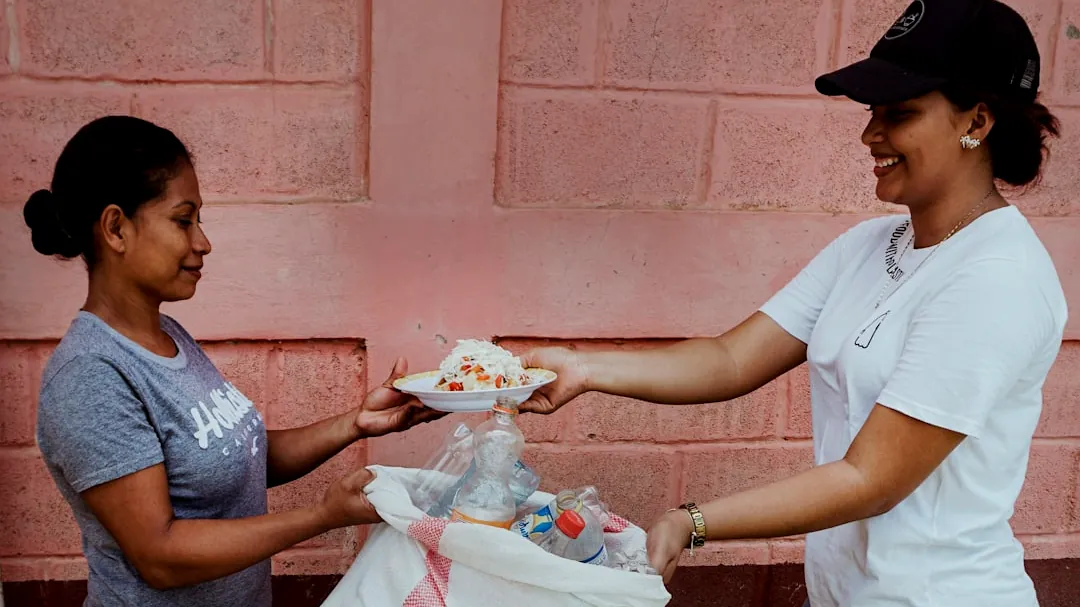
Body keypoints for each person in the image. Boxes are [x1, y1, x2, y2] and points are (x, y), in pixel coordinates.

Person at [519, 1, 1067, 606]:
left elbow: (871, 480)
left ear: (979, 122)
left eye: (900, 113)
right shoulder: (869, 246)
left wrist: (692, 521)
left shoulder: (996, 278)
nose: (870, 135)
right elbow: (731, 359)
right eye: (871, 113)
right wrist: (582, 367)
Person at [24, 115, 445, 606]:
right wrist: (322, 515)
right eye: (184, 220)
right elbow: (160, 556)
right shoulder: (91, 377)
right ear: (117, 228)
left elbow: (237, 460)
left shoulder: (170, 338)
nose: (203, 242)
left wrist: (358, 423)